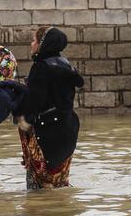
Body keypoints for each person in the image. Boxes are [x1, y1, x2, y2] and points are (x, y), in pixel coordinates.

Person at [14, 26, 84, 189]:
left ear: (42, 44)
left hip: (47, 132)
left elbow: (35, 101)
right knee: (59, 181)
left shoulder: (42, 68)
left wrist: (23, 119)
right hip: (67, 130)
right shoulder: (66, 65)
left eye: (34, 40)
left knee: (40, 187)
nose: (31, 44)